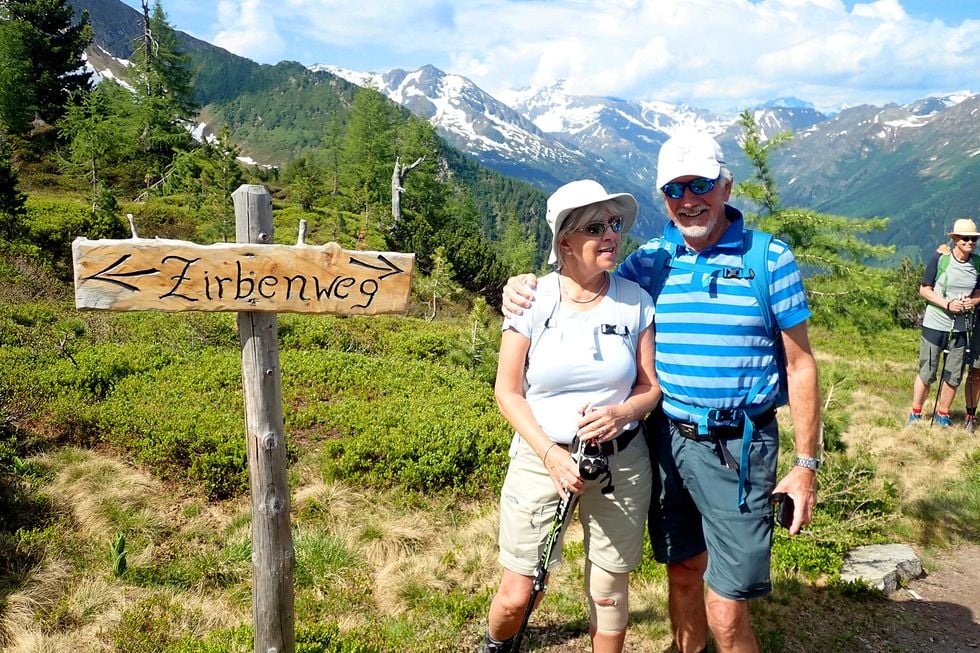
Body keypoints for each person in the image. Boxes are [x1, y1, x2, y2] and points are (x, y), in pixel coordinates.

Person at [502, 132, 821, 653]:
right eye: (675, 189)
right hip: (668, 442)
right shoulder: (651, 261)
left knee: (725, 610)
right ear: (663, 197)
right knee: (683, 572)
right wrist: (520, 290)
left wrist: (806, 464)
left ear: (726, 186)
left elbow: (800, 364)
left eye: (701, 184)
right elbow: (584, 281)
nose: (689, 198)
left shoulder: (770, 259)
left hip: (740, 445)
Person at [480, 179, 661, 653]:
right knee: (518, 594)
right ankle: (497, 644)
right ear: (565, 242)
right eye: (595, 227)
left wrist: (622, 411)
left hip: (620, 461)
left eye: (615, 225)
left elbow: (649, 387)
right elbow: (508, 391)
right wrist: (550, 455)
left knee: (609, 594)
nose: (611, 236)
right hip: (543, 459)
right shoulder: (531, 300)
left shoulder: (636, 301)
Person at [909, 219, 980, 428]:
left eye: (973, 239)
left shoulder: (977, 263)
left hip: (961, 327)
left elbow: (978, 292)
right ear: (955, 239)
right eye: (965, 238)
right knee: (928, 371)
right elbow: (924, 289)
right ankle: (915, 413)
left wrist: (972, 302)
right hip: (935, 323)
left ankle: (943, 414)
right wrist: (947, 304)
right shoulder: (941, 259)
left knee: (954, 374)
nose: (970, 242)